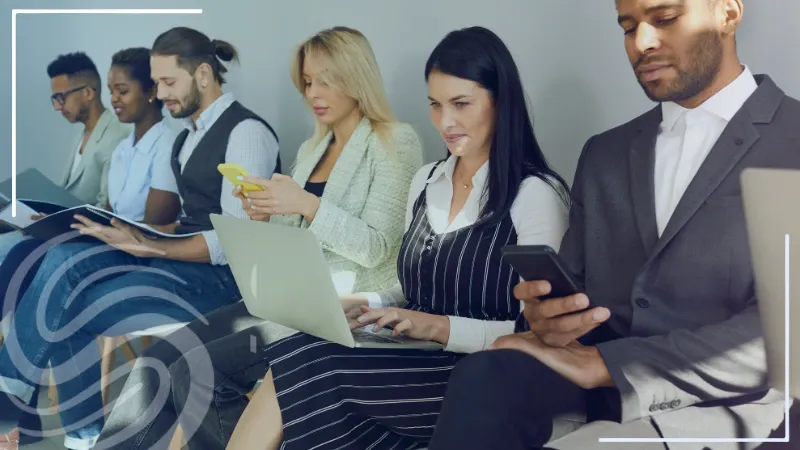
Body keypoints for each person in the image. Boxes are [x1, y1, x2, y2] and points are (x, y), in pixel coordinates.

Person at [427, 1, 800, 449]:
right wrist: (547, 319)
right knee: (484, 375)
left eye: (664, 19)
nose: (641, 43)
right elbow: (576, 294)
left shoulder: (792, 138)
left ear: (728, 13)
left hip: (738, 403)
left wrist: (608, 365)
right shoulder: (605, 154)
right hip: (604, 383)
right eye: (628, 27)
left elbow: (783, 335)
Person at [225, 26, 571, 450]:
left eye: (461, 104)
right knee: (301, 348)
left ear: (500, 102)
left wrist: (441, 328)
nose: (445, 122)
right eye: (435, 105)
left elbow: (535, 332)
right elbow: (411, 289)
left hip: (484, 371)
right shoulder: (427, 181)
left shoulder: (536, 195)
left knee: (317, 364)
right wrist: (369, 304)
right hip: (417, 353)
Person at [95, 26, 424, 450]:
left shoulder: (394, 141)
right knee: (158, 359)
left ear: (356, 77)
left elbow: (377, 245)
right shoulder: (312, 150)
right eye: (307, 82)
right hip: (290, 298)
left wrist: (305, 204)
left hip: (343, 307)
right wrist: (266, 217)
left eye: (325, 79)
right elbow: (297, 239)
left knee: (200, 369)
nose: (313, 93)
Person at [0, 26, 279, 450]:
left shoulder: (246, 134)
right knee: (61, 262)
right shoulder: (187, 138)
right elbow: (187, 224)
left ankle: (12, 408)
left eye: (168, 82)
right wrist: (131, 234)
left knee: (64, 297)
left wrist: (150, 244)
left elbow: (234, 243)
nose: (160, 92)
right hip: (182, 263)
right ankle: (81, 437)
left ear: (203, 75)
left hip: (224, 283)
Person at [0, 46, 180, 447]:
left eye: (121, 90)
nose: (113, 99)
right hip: (102, 243)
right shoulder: (122, 150)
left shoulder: (169, 142)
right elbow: (109, 209)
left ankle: (12, 396)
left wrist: (91, 228)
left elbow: (155, 225)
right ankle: (65, 431)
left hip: (139, 253)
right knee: (28, 265)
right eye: (112, 90)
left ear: (151, 91)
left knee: (43, 264)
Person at [0, 52, 130, 262]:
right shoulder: (82, 135)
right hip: (58, 229)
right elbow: (65, 195)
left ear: (88, 92)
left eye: (61, 97)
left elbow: (106, 211)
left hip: (79, 237)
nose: (58, 106)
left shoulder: (117, 137)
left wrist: (49, 222)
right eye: (55, 99)